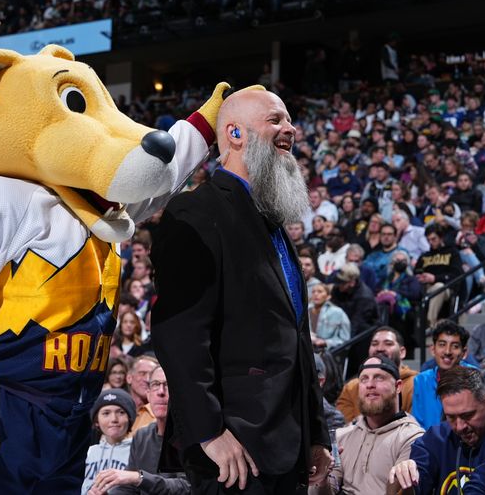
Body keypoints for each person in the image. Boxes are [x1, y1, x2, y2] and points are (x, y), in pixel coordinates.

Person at [151, 88, 331, 493]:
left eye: (288, 119)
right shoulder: (197, 211)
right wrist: (209, 432)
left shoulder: (273, 219)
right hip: (231, 447)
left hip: (288, 443)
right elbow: (179, 335)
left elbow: (296, 338)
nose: (291, 129)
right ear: (234, 133)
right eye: (276, 120)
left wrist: (316, 435)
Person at [389, 366, 485, 494]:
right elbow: (413, 486)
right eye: (451, 417)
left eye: (467, 415)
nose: (459, 427)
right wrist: (405, 479)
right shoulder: (437, 437)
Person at [311, 355, 424, 495]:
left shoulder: (413, 438)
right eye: (364, 379)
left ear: (398, 386)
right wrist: (322, 479)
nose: (370, 384)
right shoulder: (342, 436)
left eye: (379, 377)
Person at [96, 366, 191, 494]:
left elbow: (188, 488)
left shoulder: (192, 437)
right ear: (148, 394)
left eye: (169, 385)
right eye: (156, 384)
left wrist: (139, 478)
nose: (161, 391)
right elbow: (129, 488)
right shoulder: (142, 436)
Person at [336, 327, 418, 423]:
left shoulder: (417, 384)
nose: (379, 349)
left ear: (402, 352)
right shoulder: (351, 387)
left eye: (388, 344)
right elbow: (345, 427)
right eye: (374, 344)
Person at [411, 321, 476, 430]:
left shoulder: (476, 377)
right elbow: (418, 425)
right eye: (442, 344)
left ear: (464, 353)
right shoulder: (421, 380)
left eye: (455, 346)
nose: (447, 351)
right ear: (433, 349)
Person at [82, 389, 136, 495]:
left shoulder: (137, 452)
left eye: (121, 412)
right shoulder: (88, 453)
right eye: (106, 413)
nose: (114, 419)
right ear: (97, 421)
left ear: (129, 418)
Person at [414, 224, 463, 327]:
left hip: (446, 287)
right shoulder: (425, 256)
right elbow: (417, 272)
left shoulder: (452, 253)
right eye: (428, 240)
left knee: (439, 286)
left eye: (434, 239)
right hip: (425, 287)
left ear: (441, 237)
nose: (431, 243)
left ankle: (430, 323)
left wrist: (435, 278)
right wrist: (421, 276)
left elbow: (456, 275)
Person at [308, 284, 350, 350]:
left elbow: (345, 339)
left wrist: (326, 342)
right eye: (313, 292)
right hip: (307, 350)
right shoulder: (305, 310)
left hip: (327, 352)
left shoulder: (337, 313)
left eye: (320, 291)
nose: (316, 294)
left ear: (328, 296)